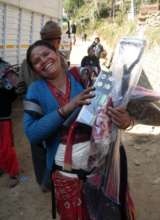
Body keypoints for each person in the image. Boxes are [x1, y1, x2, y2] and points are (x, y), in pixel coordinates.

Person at [23, 40, 134, 220]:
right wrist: (68, 107)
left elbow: (121, 108)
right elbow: (32, 133)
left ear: (57, 53)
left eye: (46, 54)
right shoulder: (35, 91)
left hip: (103, 169)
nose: (43, 61)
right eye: (36, 61)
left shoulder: (85, 76)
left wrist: (126, 121)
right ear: (35, 69)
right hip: (68, 177)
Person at [17, 21, 64, 192]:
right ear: (58, 40)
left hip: (40, 115)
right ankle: (52, 181)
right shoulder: (59, 59)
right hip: (56, 115)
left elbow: (20, 86)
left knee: (39, 148)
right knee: (54, 146)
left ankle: (44, 183)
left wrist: (28, 102)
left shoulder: (27, 61)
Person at [0, 58, 20, 188]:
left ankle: (13, 172)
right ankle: (2, 166)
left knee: (6, 145)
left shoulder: (5, 68)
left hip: (2, 113)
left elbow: (15, 89)